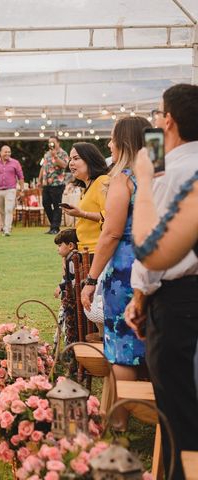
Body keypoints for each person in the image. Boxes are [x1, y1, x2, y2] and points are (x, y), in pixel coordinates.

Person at [125, 84, 198, 480]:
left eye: (157, 113)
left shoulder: (170, 174)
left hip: (180, 303)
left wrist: (139, 299)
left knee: (180, 413)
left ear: (168, 120)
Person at [80, 116, 150, 430]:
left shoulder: (124, 179)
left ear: (123, 142)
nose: (108, 144)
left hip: (126, 270)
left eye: (111, 138)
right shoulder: (158, 174)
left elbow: (109, 234)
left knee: (123, 347)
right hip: (156, 264)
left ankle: (120, 422)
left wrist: (91, 279)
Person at [61, 142, 110, 255]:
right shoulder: (86, 188)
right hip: (85, 249)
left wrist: (83, 214)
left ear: (90, 159)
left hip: (97, 250)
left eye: (76, 158)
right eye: (70, 159)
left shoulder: (103, 181)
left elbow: (110, 216)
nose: (71, 163)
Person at [53, 229, 81, 350]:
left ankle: (64, 348)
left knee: (65, 321)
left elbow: (72, 280)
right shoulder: (69, 258)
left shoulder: (72, 259)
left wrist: (61, 286)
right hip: (68, 294)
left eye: (60, 245)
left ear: (70, 245)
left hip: (70, 297)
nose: (57, 249)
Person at [0, 145, 24, 236]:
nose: (7, 153)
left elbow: (21, 177)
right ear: (1, 153)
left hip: (10, 190)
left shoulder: (15, 163)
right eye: (5, 152)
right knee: (1, 211)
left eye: (9, 152)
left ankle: (7, 229)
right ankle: (4, 227)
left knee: (8, 209)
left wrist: (22, 189)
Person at [40, 136, 69, 234]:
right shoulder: (46, 154)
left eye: (53, 142)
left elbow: (64, 165)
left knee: (57, 205)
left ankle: (55, 228)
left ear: (58, 143)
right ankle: (53, 225)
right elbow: (43, 167)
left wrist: (55, 156)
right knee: (45, 203)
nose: (51, 144)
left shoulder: (63, 153)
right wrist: (40, 180)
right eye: (49, 143)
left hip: (57, 183)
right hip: (46, 183)